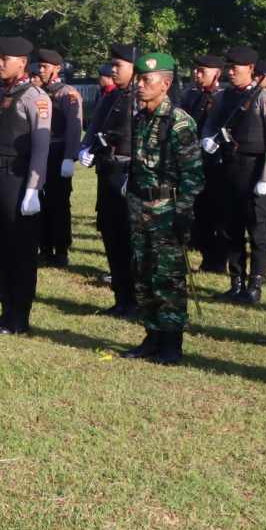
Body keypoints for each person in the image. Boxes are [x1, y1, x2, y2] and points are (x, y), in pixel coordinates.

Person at [119, 53, 204, 364]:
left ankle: (171, 342)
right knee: (142, 274)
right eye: (139, 80)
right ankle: (152, 335)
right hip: (140, 207)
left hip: (167, 209)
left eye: (147, 80)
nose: (140, 86)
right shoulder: (141, 118)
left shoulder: (178, 122)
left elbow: (193, 175)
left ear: (165, 84)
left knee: (167, 278)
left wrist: (182, 213)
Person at [0, 37, 50, 334]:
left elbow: (41, 146)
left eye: (5, 59)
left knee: (20, 250)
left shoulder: (35, 97)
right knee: (1, 247)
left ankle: (20, 316)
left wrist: (33, 187)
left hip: (17, 179)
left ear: (22, 63)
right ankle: (6, 310)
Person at [199, 46, 266, 304]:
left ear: (251, 70)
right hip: (229, 169)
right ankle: (236, 282)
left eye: (236, 67)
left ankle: (255, 285)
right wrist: (207, 139)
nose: (231, 72)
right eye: (229, 67)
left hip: (255, 170)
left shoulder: (265, 98)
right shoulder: (223, 97)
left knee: (257, 232)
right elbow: (211, 125)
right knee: (231, 229)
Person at [80, 44, 139, 314]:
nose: (113, 70)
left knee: (129, 237)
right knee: (111, 233)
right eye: (112, 65)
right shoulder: (111, 96)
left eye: (119, 66)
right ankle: (121, 297)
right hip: (107, 170)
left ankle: (135, 299)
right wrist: (86, 147)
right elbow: (95, 127)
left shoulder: (140, 98)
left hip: (128, 171)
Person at [32, 49, 81, 268]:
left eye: (45, 66)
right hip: (40, 153)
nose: (41, 70)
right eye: (40, 66)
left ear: (57, 68)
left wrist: (69, 157)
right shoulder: (37, 92)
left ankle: (61, 250)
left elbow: (74, 127)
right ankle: (44, 247)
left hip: (58, 153)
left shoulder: (67, 94)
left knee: (59, 203)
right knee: (40, 201)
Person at [180, 55, 226, 270]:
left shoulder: (223, 98)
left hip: (215, 164)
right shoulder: (191, 96)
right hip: (194, 161)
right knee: (199, 213)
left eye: (202, 71)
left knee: (217, 213)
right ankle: (207, 255)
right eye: (196, 70)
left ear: (217, 74)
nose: (196, 75)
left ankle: (218, 259)